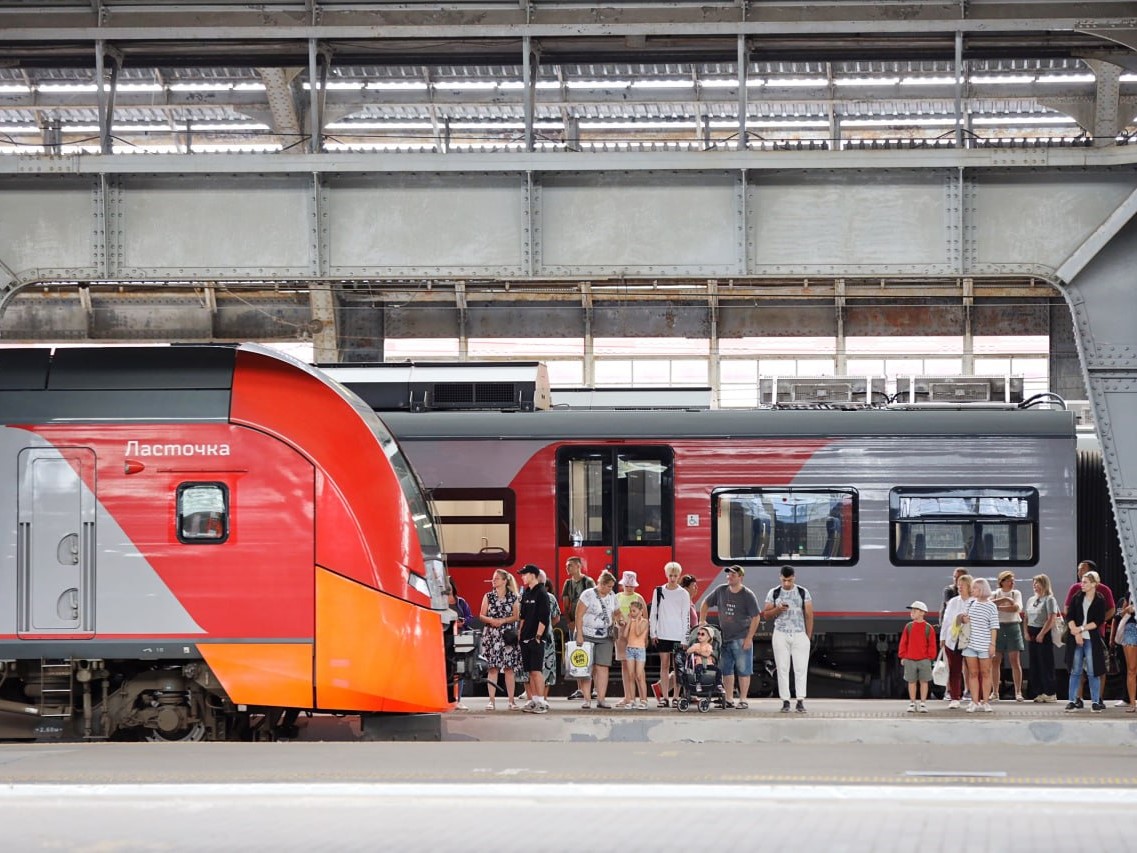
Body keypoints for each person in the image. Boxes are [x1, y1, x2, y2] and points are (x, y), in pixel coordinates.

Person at [700, 564, 761, 709]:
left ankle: (743, 699)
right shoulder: (720, 590)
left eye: (733, 575)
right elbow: (705, 603)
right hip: (724, 638)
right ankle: (728, 699)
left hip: (741, 638)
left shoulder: (747, 595)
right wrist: (702, 620)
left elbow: (756, 617)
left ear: (741, 577)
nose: (729, 577)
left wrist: (749, 638)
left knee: (743, 670)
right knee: (726, 670)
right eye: (728, 574)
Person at [761, 565, 813, 713]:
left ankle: (800, 700)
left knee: (800, 668)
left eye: (789, 580)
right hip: (780, 633)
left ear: (794, 578)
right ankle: (785, 701)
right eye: (784, 580)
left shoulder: (803, 592)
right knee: (782, 668)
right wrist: (778, 609)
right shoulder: (774, 592)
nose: (787, 583)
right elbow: (766, 615)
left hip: (799, 633)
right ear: (780, 577)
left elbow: (809, 615)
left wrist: (807, 636)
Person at [1064, 559, 1115, 708]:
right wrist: (1075, 631)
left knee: (1096, 669)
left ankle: (1097, 700)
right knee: (1076, 670)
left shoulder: (1102, 595)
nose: (1079, 573)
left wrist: (1084, 628)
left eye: (1083, 570)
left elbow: (1106, 613)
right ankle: (1075, 699)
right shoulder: (1076, 593)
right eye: (1079, 570)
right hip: (1076, 636)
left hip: (1094, 636)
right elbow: (1068, 612)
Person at [648, 561, 692, 708]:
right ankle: (665, 697)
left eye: (675, 575)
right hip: (662, 634)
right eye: (670, 575)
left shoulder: (684, 593)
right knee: (664, 665)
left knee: (677, 667)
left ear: (679, 576)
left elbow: (686, 616)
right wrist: (653, 633)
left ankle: (676, 697)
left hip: (678, 635)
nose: (672, 578)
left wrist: (685, 638)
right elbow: (653, 613)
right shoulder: (658, 591)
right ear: (666, 575)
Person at [575, 570, 619, 710]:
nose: (611, 589)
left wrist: (620, 620)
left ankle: (601, 699)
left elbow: (616, 612)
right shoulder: (587, 594)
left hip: (605, 636)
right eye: (609, 586)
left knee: (603, 667)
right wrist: (579, 634)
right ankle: (587, 700)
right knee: (586, 667)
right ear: (602, 584)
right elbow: (578, 615)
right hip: (586, 634)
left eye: (612, 587)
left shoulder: (612, 596)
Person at [479, 568, 522, 710]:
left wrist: (502, 621)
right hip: (491, 635)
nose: (493, 580)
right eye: (493, 578)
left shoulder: (513, 597)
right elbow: (481, 615)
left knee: (509, 669)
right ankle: (491, 701)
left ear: (504, 581)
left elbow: (516, 616)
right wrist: (491, 620)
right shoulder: (488, 596)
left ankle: (511, 701)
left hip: (507, 636)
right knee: (492, 668)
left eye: (496, 578)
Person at [960, 577, 999, 713]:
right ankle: (974, 701)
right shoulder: (970, 603)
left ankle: (986, 701)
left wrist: (992, 644)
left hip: (985, 644)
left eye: (975, 588)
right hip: (970, 644)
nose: (972, 590)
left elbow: (994, 627)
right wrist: (963, 619)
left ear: (982, 589)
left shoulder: (991, 606)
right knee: (973, 673)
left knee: (986, 673)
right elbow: (964, 620)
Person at [517, 563, 551, 714]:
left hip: (536, 638)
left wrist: (538, 637)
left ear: (533, 575)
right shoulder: (527, 592)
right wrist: (520, 632)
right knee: (530, 671)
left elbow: (544, 617)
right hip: (525, 637)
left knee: (536, 670)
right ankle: (535, 700)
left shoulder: (542, 593)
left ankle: (542, 702)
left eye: (525, 574)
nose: (522, 577)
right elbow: (523, 615)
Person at [560, 557, 595, 700]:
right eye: (567, 565)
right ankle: (580, 688)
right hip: (574, 623)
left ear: (578, 566)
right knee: (577, 654)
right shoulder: (567, 583)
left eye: (570, 565)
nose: (567, 568)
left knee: (590, 654)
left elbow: (592, 602)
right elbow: (565, 604)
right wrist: (569, 621)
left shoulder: (588, 582)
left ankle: (593, 688)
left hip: (587, 623)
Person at [991, 570, 1026, 702]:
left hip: (1013, 626)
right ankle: (995, 692)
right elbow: (989, 605)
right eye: (1009, 581)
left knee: (1015, 661)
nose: (1012, 583)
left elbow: (1016, 608)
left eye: (1013, 581)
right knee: (995, 661)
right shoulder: (995, 593)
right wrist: (1005, 600)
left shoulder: (1016, 593)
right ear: (1002, 582)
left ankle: (1018, 692)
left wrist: (998, 607)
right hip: (998, 627)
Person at [614, 571, 646, 709]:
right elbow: (615, 614)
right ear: (623, 585)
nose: (629, 588)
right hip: (622, 634)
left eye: (631, 585)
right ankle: (628, 697)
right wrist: (619, 622)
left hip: (636, 635)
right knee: (625, 665)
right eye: (627, 585)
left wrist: (645, 636)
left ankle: (642, 698)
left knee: (638, 667)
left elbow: (645, 617)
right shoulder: (617, 597)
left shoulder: (639, 598)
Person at [1024, 573, 1059, 703]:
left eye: (1037, 583)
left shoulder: (1049, 599)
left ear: (1044, 584)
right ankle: (1039, 691)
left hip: (1043, 633)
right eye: (1033, 584)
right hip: (1032, 632)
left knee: (1046, 663)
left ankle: (1050, 692)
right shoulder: (1031, 600)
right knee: (1035, 664)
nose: (1035, 586)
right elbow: (1026, 617)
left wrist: (1042, 633)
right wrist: (1026, 632)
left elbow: (1051, 618)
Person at [941, 573, 973, 709]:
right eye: (959, 585)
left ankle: (975, 697)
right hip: (953, 640)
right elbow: (946, 620)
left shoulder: (975, 602)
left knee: (973, 670)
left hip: (971, 640)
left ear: (969, 587)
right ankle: (955, 697)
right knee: (954, 670)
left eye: (963, 585)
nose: (960, 587)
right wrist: (942, 638)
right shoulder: (953, 601)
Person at [899, 600, 937, 713]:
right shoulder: (909, 627)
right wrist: (903, 656)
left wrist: (930, 657)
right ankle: (912, 702)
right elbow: (903, 642)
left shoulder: (928, 628)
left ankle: (923, 703)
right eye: (912, 611)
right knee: (911, 681)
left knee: (924, 681)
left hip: (924, 659)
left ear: (922, 612)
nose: (912, 613)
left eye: (915, 611)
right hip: (910, 659)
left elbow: (932, 644)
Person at [448, 579, 473, 711]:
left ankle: (458, 700)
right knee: (448, 670)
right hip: (446, 639)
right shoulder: (439, 602)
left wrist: (463, 622)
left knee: (460, 669)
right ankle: (447, 699)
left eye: (449, 585)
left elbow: (469, 617)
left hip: (461, 639)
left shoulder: (461, 602)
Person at [538, 570, 561, 704]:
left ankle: (534, 698)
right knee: (548, 667)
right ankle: (543, 699)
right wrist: (548, 625)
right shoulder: (550, 598)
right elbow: (556, 617)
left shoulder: (525, 596)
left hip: (536, 636)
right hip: (547, 636)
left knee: (533, 669)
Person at [623, 600, 649, 709]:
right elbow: (625, 635)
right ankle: (632, 699)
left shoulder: (644, 622)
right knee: (631, 675)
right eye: (630, 611)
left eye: (634, 611)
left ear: (640, 611)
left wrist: (638, 619)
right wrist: (629, 622)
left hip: (640, 650)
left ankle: (644, 700)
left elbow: (638, 632)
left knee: (639, 675)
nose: (631, 613)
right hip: (630, 649)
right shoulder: (631, 621)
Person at [1117, 594, 1137, 712]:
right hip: (1131, 628)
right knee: (1131, 669)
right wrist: (1128, 609)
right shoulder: (1130, 591)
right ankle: (1132, 703)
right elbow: (1121, 613)